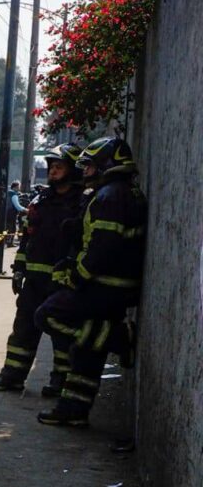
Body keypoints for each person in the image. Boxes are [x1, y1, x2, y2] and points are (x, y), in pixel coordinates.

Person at [35, 138, 147, 427]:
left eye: (91, 166)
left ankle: (118, 338)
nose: (85, 171)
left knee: (47, 315)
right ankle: (74, 410)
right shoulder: (120, 193)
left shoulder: (110, 197)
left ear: (107, 165)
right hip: (116, 284)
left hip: (106, 285)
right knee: (86, 351)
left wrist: (76, 277)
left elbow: (102, 248)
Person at [0, 143, 87, 396]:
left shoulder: (83, 203)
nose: (53, 171)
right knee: (23, 329)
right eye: (51, 167)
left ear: (73, 170)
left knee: (61, 334)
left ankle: (60, 382)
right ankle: (12, 376)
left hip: (64, 281)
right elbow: (27, 237)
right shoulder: (41, 200)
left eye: (59, 167)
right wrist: (18, 269)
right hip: (34, 279)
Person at [5, 181, 23, 247]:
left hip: (6, 213)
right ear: (14, 187)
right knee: (13, 228)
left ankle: (6, 241)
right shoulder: (14, 195)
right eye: (18, 187)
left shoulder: (7, 193)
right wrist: (26, 210)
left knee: (7, 228)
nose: (19, 189)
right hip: (12, 213)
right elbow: (18, 207)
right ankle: (10, 243)